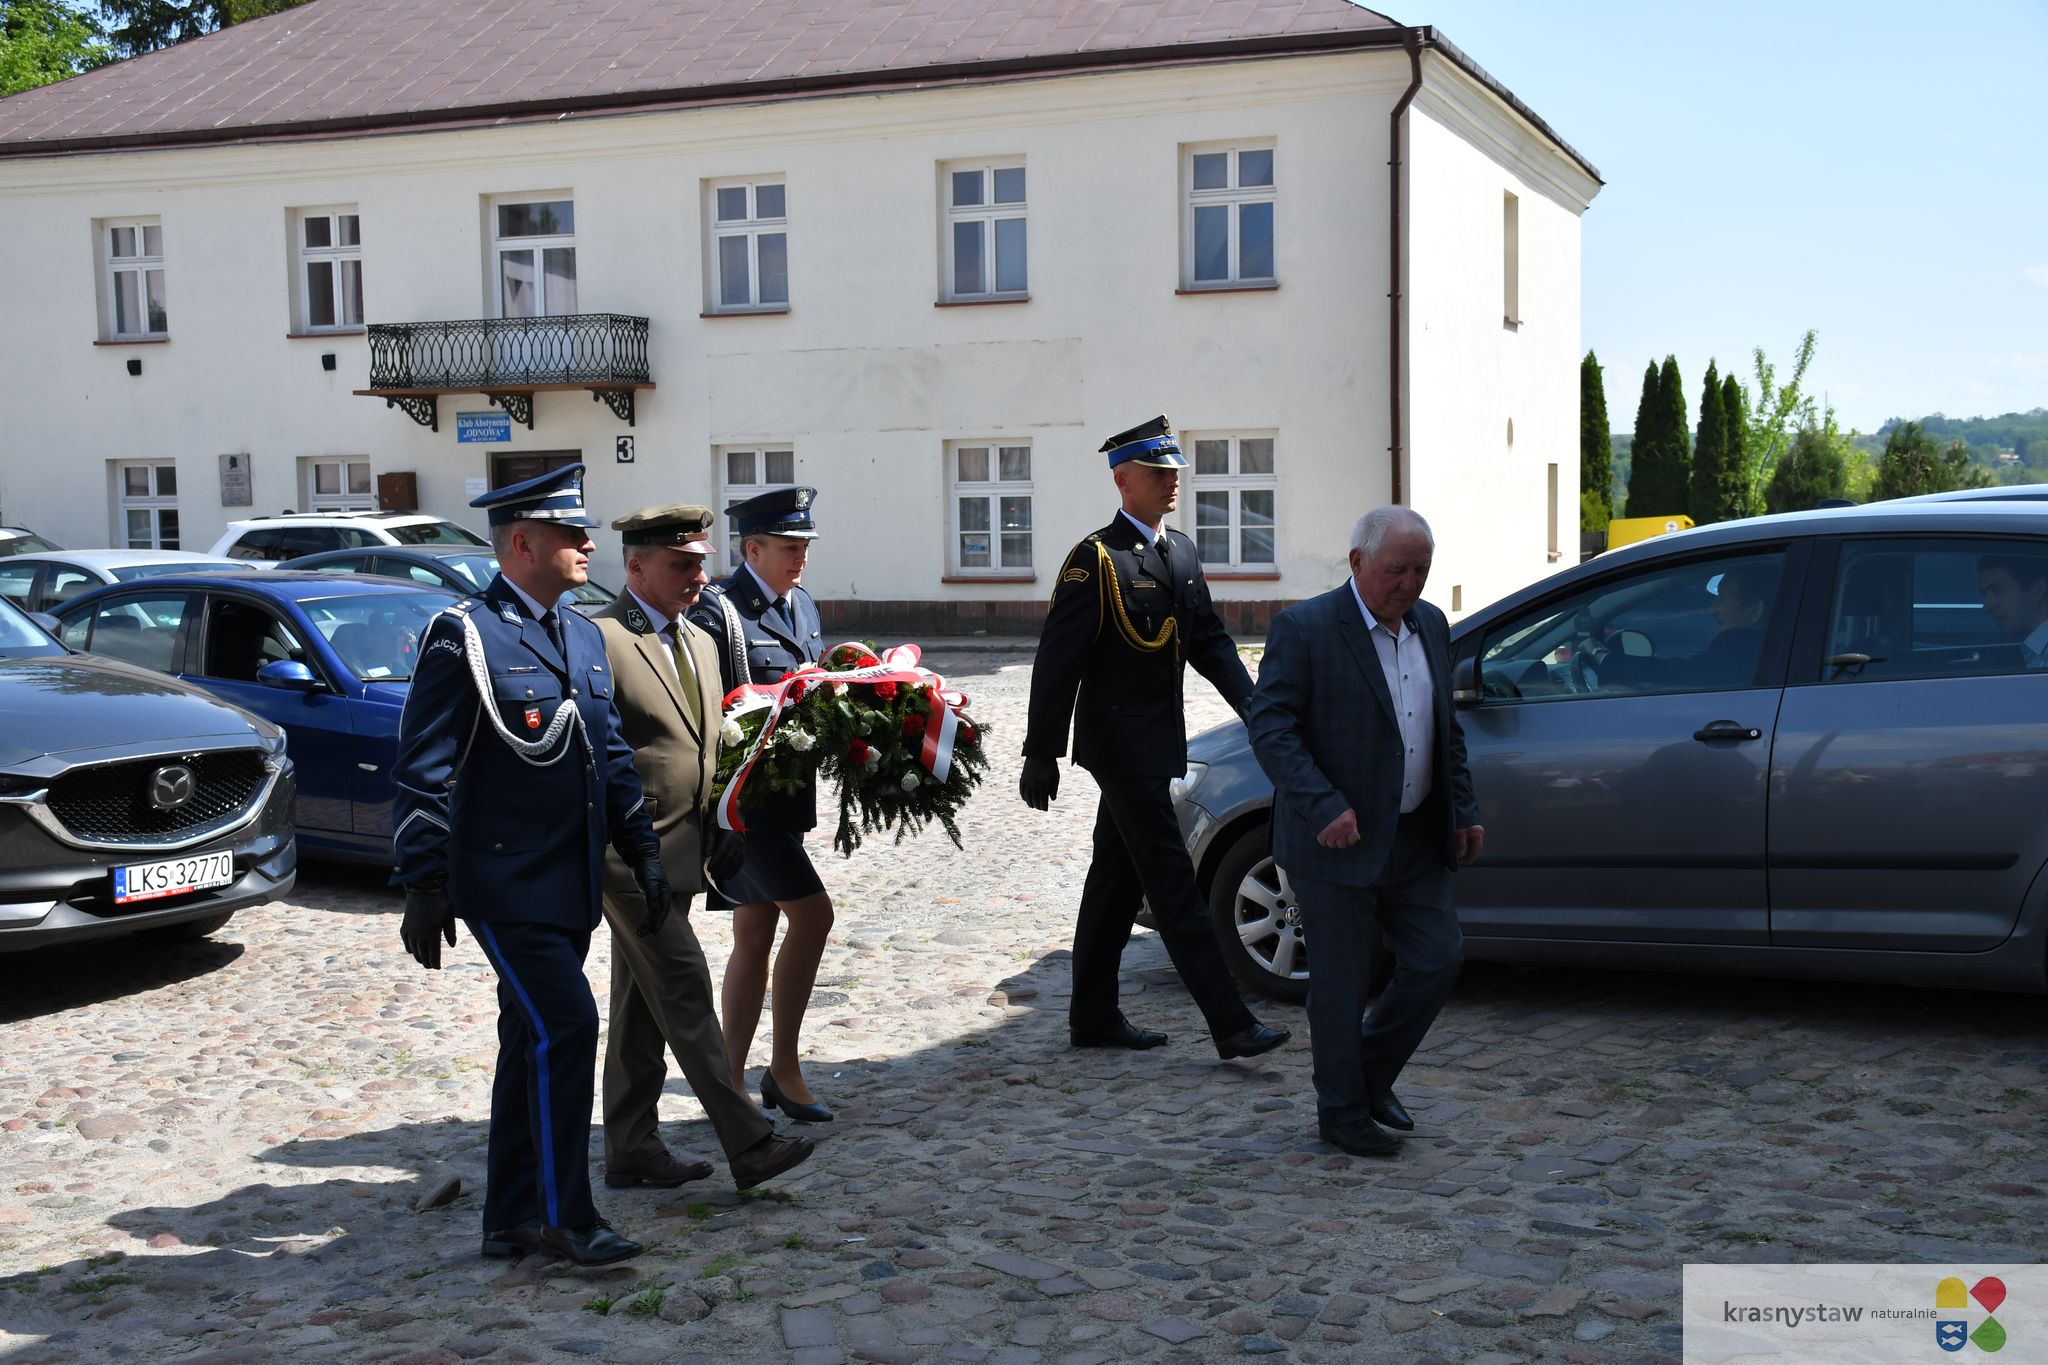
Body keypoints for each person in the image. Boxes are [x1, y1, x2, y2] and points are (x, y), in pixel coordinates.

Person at [392, 463, 669, 1266]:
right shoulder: (467, 634)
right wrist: (424, 879)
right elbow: (424, 765)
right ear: (522, 542)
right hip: (503, 879)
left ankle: (510, 1214)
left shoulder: (582, 634)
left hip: (569, 877)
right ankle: (565, 1216)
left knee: (530, 1035)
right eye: (570, 533)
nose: (589, 544)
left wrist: (642, 848)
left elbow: (610, 753)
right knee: (569, 1023)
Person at [1021, 416, 1290, 1062]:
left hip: (1159, 742)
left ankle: (1092, 1015)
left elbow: (1211, 644)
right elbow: (1058, 660)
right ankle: (1231, 1024)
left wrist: (1258, 711)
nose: (1173, 482)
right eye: (1159, 472)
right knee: (1172, 883)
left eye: (1174, 472)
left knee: (1114, 881)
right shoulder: (1096, 560)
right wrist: (1041, 750)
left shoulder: (1182, 553)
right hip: (1119, 749)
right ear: (1123, 480)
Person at [1245, 506, 1482, 1158]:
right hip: (1335, 842)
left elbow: (1445, 731)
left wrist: (1464, 809)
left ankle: (1366, 1076)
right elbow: (1272, 728)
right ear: (1357, 562)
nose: (1409, 583)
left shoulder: (1431, 624)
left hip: (1414, 835)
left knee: (1438, 957)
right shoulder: (1306, 628)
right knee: (1342, 985)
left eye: (1421, 570)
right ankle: (1342, 1113)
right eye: (1396, 569)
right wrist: (1322, 804)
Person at [593, 503, 817, 1193]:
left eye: (700, 562)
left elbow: (715, 743)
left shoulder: (699, 637)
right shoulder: (602, 637)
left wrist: (725, 826)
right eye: (680, 564)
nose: (698, 576)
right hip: (627, 854)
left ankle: (631, 1145)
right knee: (684, 983)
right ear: (636, 566)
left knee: (640, 1001)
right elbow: (599, 753)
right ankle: (748, 1140)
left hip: (688, 850)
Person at [686, 486, 837, 1123]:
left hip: (787, 798)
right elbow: (709, 710)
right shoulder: (718, 611)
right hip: (743, 808)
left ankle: (730, 1082)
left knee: (755, 931)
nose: (800, 556)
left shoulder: (802, 605)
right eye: (788, 546)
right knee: (814, 917)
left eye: (804, 545)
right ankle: (783, 1069)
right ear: (752, 550)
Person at [1575, 560, 1776, 690]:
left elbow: (1678, 676)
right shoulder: (1769, 654)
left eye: (1722, 598)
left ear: (1754, 610)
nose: (1712, 609)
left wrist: (1601, 656)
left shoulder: (1742, 653)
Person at [1976, 554, 2048, 668]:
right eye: (1984, 593)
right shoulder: (2034, 650)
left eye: (1997, 590)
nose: (1987, 606)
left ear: (2037, 590)